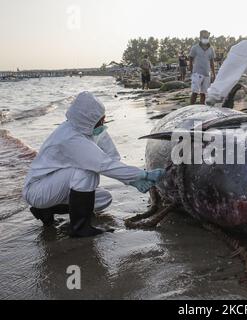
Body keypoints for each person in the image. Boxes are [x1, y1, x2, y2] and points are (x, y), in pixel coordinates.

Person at [22, 92, 165, 238]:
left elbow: (112, 158)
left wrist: (131, 180)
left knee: (103, 199)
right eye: (100, 119)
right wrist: (142, 174)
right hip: (38, 190)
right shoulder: (70, 137)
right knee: (86, 172)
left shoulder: (91, 130)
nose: (104, 121)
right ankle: (79, 228)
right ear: (88, 120)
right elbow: (103, 164)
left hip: (54, 186)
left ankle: (46, 210)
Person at [189, 30, 216, 105]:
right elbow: (191, 58)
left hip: (207, 73)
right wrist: (191, 69)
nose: (206, 38)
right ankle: (190, 108)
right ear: (200, 37)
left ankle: (201, 108)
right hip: (197, 73)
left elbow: (212, 62)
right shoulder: (195, 48)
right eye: (204, 37)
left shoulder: (211, 49)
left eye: (207, 37)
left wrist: (214, 73)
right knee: (194, 92)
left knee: (203, 93)